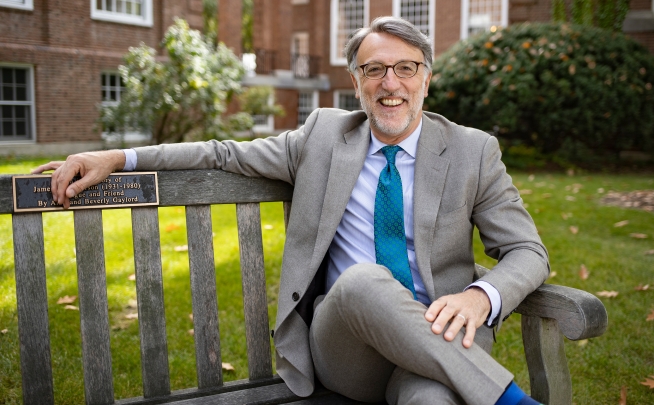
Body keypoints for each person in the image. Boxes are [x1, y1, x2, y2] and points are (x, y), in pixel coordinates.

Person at [35, 16, 549, 405]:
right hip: (347, 351)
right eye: (375, 70)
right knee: (363, 281)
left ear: (426, 79)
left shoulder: (471, 151)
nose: (390, 83)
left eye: (406, 68)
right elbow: (221, 153)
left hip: (439, 342)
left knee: (433, 400)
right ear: (357, 83)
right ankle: (512, 400)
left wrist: (481, 298)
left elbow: (527, 251)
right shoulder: (324, 138)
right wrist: (118, 156)